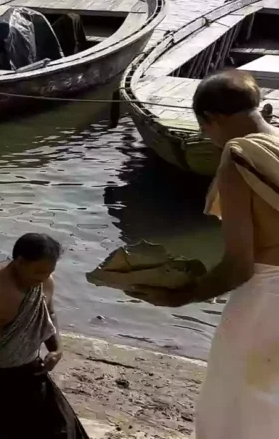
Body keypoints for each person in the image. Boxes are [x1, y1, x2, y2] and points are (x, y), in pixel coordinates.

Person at [130, 70, 279, 439]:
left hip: (265, 300)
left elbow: (239, 265)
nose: (209, 139)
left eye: (204, 130)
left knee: (235, 402)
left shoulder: (239, 155)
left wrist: (184, 293)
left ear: (212, 119)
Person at [0, 233, 88, 439]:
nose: (43, 278)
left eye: (49, 272)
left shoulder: (44, 281)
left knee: (60, 429)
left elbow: (49, 313)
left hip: (29, 371)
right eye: (38, 271)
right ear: (20, 262)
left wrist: (56, 348)